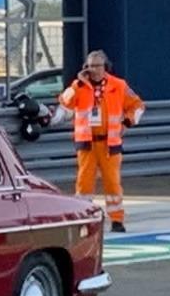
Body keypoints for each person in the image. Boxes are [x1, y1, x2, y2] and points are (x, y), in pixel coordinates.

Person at [58, 50, 145, 233]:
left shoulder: (118, 85)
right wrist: (77, 84)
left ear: (105, 67)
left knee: (112, 183)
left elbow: (137, 106)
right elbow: (65, 102)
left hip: (110, 144)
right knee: (84, 184)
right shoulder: (79, 86)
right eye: (90, 66)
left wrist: (127, 122)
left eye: (97, 65)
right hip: (87, 144)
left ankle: (116, 220)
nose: (93, 69)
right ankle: (84, 218)